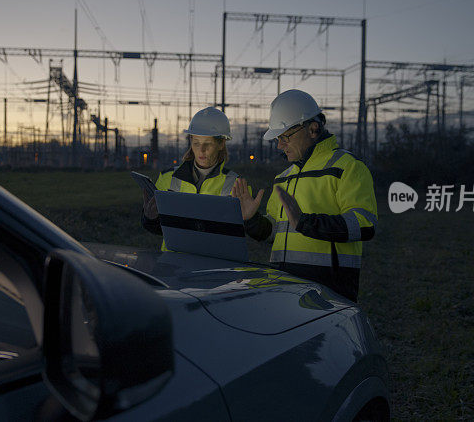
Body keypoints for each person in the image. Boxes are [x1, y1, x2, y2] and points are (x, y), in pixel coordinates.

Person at [232, 89, 378, 302]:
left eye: (285, 137)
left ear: (313, 129)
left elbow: (365, 224)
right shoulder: (283, 178)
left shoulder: (347, 167)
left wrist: (307, 222)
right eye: (278, 139)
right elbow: (274, 233)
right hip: (283, 288)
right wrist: (252, 221)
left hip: (329, 294)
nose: (280, 146)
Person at [141, 107, 242, 248]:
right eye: (196, 143)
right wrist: (150, 218)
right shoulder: (167, 177)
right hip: (173, 264)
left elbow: (234, 237)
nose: (201, 150)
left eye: (208, 143)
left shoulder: (235, 184)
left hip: (212, 265)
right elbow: (158, 229)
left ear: (221, 144)